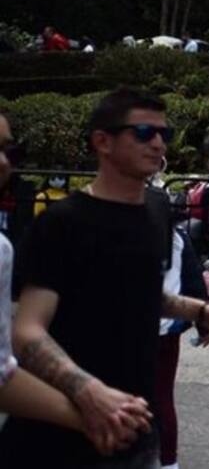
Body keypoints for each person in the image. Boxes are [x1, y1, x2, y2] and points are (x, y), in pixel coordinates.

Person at [3, 88, 209, 466]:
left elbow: (140, 290)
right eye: (144, 133)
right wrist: (88, 391)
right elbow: (27, 330)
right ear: (103, 141)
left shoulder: (157, 210)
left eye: (166, 133)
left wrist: (201, 311)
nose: (159, 143)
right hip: (58, 436)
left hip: (135, 428)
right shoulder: (62, 222)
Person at [0, 111, 87, 435]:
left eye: (10, 151)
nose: (4, 163)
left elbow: (3, 374)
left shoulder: (3, 250)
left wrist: (91, 411)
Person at [155, 214, 209, 469]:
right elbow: (194, 282)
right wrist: (203, 323)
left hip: (129, 329)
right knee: (163, 396)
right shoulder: (177, 236)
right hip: (166, 328)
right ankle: (168, 461)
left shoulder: (112, 229)